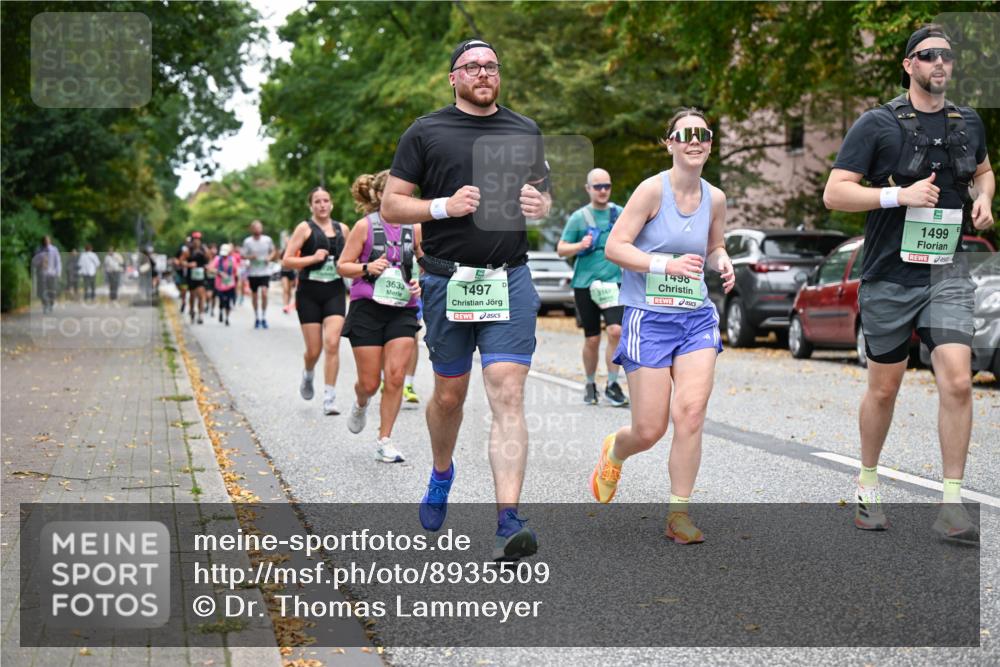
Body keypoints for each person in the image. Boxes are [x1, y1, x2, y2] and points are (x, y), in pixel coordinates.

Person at [823, 25, 994, 544]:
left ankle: (951, 505)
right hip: (889, 276)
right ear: (908, 65)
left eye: (947, 55)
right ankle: (868, 482)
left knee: (958, 381)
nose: (940, 63)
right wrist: (898, 196)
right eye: (928, 55)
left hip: (946, 272)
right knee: (885, 388)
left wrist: (985, 199)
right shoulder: (877, 124)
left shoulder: (968, 122)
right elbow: (835, 193)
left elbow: (984, 171)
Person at [382, 38, 551, 561]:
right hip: (446, 281)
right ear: (453, 77)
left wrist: (540, 204)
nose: (483, 72)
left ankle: (508, 520)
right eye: (472, 66)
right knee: (449, 396)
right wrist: (443, 207)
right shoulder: (425, 131)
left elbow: (542, 194)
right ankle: (441, 472)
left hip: (509, 278)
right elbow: (391, 206)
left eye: (491, 65)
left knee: (507, 393)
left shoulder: (525, 130)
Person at [591, 108, 734, 545]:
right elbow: (615, 247)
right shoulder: (652, 191)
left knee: (690, 413)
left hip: (695, 318)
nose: (695, 141)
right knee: (649, 430)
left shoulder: (716, 198)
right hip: (648, 319)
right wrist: (664, 264)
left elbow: (714, 245)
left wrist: (722, 260)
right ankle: (616, 449)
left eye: (703, 134)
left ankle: (678, 514)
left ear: (710, 143)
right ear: (669, 142)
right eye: (685, 134)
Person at [338, 170, 422, 463]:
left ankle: (384, 440)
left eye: (408, 193)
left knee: (396, 376)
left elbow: (421, 263)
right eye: (400, 192)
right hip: (368, 309)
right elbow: (342, 265)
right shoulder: (364, 226)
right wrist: (367, 268)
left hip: (403, 309)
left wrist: (418, 282)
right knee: (370, 383)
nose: (406, 198)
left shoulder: (415, 228)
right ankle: (361, 402)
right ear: (382, 195)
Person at [557, 167, 628, 406]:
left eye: (607, 186)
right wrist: (580, 245)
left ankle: (613, 384)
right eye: (598, 187)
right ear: (588, 189)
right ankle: (590, 383)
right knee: (592, 338)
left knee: (616, 331)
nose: (603, 191)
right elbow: (561, 249)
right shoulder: (579, 217)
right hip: (585, 285)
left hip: (614, 282)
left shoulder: (620, 214)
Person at [282, 187, 350, 416]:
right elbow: (286, 260)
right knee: (314, 350)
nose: (322, 205)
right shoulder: (304, 228)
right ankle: (308, 373)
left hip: (334, 291)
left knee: (332, 343)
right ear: (311, 205)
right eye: (317, 201)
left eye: (326, 200)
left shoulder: (343, 229)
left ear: (332, 204)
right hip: (309, 293)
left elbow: (354, 255)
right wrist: (312, 258)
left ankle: (330, 398)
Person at [242, 220, 277, 329]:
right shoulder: (247, 241)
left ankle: (264, 316)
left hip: (265, 271)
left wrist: (269, 258)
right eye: (255, 227)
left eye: (259, 227)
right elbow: (243, 255)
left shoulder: (267, 240)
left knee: (265, 293)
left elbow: (273, 251)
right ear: (251, 229)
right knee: (255, 295)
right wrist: (250, 257)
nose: (257, 229)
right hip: (253, 272)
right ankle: (257, 317)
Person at [179, 232, 211, 324]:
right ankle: (192, 310)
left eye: (198, 239)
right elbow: (181, 261)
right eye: (195, 240)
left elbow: (209, 259)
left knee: (201, 295)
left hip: (201, 276)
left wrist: (207, 264)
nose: (196, 241)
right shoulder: (188, 250)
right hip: (191, 276)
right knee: (192, 295)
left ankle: (200, 314)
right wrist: (189, 264)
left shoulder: (204, 249)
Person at [210, 243, 240, 326]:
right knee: (221, 300)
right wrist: (219, 272)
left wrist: (236, 280)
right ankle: (220, 311)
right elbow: (211, 268)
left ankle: (227, 317)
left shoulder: (232, 260)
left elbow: (236, 271)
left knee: (228, 302)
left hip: (230, 284)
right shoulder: (217, 259)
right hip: (219, 284)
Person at [32, 236, 61, 313]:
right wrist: (40, 262)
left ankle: (51, 303)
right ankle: (45, 305)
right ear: (43, 242)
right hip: (42, 273)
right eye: (45, 241)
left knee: (52, 290)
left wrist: (58, 272)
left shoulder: (54, 250)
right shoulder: (39, 250)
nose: (46, 242)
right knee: (42, 290)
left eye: (48, 240)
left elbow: (58, 262)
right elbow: (34, 262)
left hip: (52, 273)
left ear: (50, 241)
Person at [279, 241, 297, 314]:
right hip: (284, 272)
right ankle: (285, 305)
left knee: (289, 290)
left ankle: (288, 305)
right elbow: (281, 261)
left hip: (291, 272)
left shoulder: (294, 251)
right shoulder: (283, 252)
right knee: (285, 289)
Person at [173, 238, 190, 313]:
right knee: (180, 286)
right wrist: (178, 262)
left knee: (186, 290)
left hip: (189, 274)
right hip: (181, 272)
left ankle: (185, 303)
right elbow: (176, 259)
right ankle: (183, 301)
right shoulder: (181, 249)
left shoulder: (193, 251)